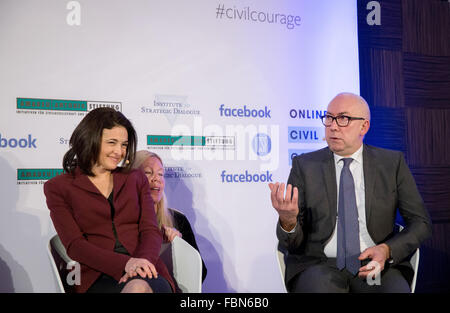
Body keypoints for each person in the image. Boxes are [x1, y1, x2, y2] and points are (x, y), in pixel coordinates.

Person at [269, 92, 432, 293]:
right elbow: (292, 244)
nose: (333, 126)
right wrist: (288, 221)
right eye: (328, 118)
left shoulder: (391, 164)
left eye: (343, 119)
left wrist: (387, 250)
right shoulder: (305, 166)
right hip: (319, 265)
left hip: (376, 264)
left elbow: (421, 223)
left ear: (364, 126)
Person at [44, 108, 175, 293]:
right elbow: (75, 246)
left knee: (138, 287)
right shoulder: (58, 187)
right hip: (96, 275)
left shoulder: (135, 178)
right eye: (112, 143)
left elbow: (150, 230)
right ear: (90, 139)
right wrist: (126, 263)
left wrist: (141, 262)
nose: (119, 151)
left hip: (146, 268)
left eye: (124, 144)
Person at [132, 150, 208, 282]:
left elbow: (200, 274)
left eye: (160, 174)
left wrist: (179, 248)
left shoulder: (178, 219)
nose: (156, 179)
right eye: (148, 173)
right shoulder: (121, 219)